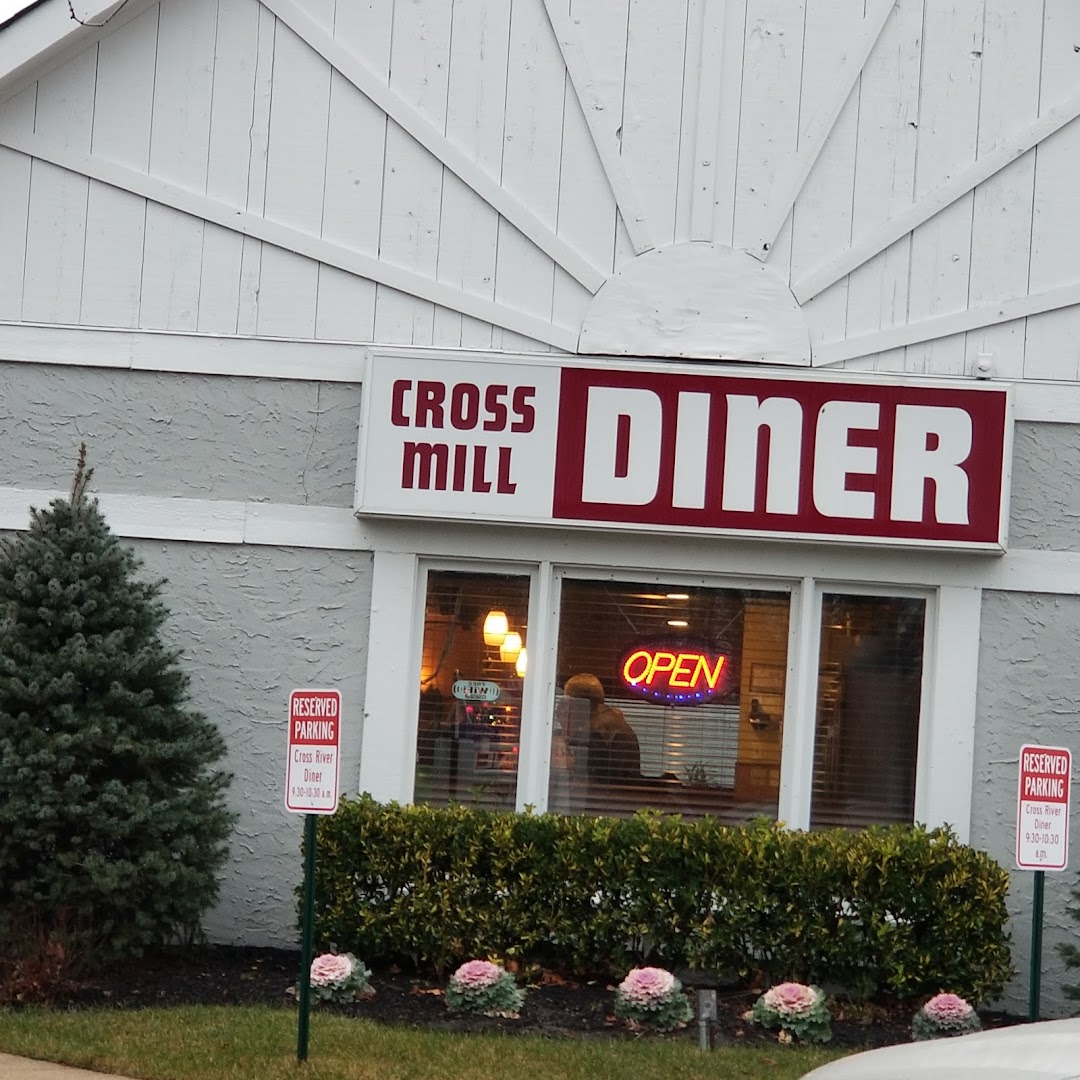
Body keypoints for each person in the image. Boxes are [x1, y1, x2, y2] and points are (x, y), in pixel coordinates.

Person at [562, 673, 642, 782]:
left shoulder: (594, 732)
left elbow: (589, 774)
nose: (567, 709)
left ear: (579, 704)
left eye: (568, 703)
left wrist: (570, 761)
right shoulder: (612, 722)